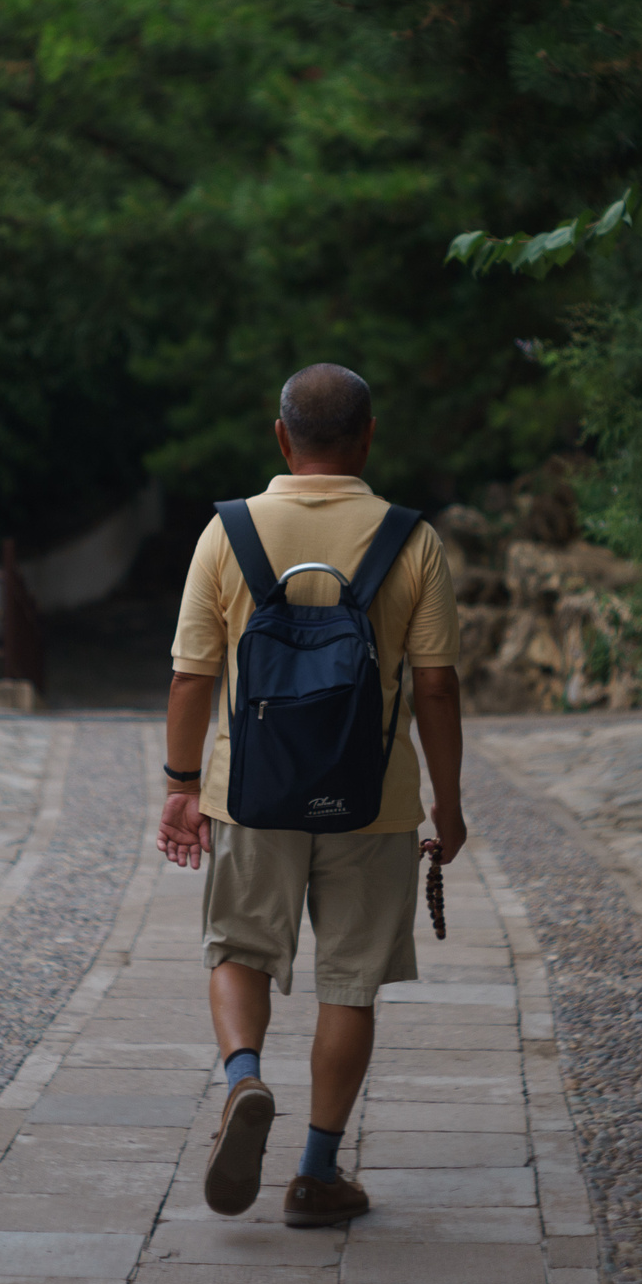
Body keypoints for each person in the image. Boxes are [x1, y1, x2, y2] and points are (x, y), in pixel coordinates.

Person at [159, 362, 467, 1228]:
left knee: (238, 949)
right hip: (373, 799)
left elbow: (190, 678)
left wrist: (182, 786)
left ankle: (243, 1078)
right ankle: (317, 1174)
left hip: (250, 793)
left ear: (280, 436)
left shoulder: (227, 532)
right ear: (368, 438)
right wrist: (447, 803)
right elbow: (436, 688)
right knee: (351, 982)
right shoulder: (413, 540)